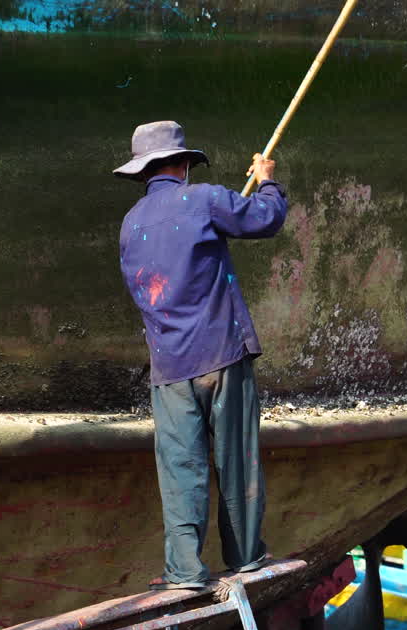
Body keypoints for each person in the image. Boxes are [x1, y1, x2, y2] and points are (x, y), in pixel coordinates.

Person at [112, 120, 288, 590]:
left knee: (180, 470)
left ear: (144, 172)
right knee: (235, 460)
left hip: (169, 367)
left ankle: (185, 572)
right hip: (221, 354)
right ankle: (246, 557)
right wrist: (267, 179)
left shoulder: (130, 226)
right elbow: (265, 219)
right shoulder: (204, 199)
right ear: (183, 164)